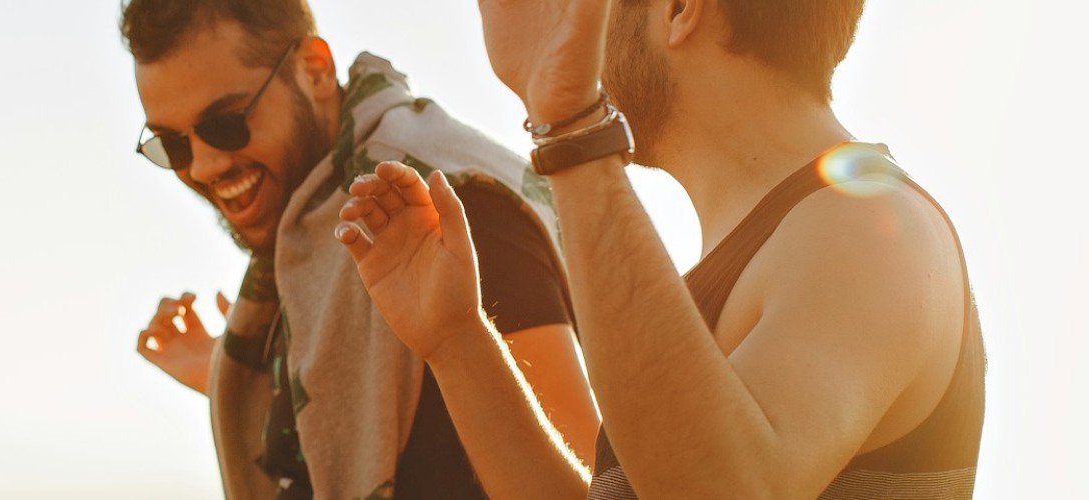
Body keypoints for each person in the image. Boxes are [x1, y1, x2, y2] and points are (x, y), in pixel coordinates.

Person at [337, 0, 984, 498]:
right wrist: (457, 340)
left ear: (678, 8)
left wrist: (567, 120)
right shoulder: (763, 255)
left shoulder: (868, 220)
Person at [120, 1, 598, 497]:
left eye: (224, 124)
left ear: (315, 70)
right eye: (171, 145)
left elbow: (576, 472)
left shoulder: (449, 211)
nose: (201, 166)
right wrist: (234, 373)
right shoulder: (311, 234)